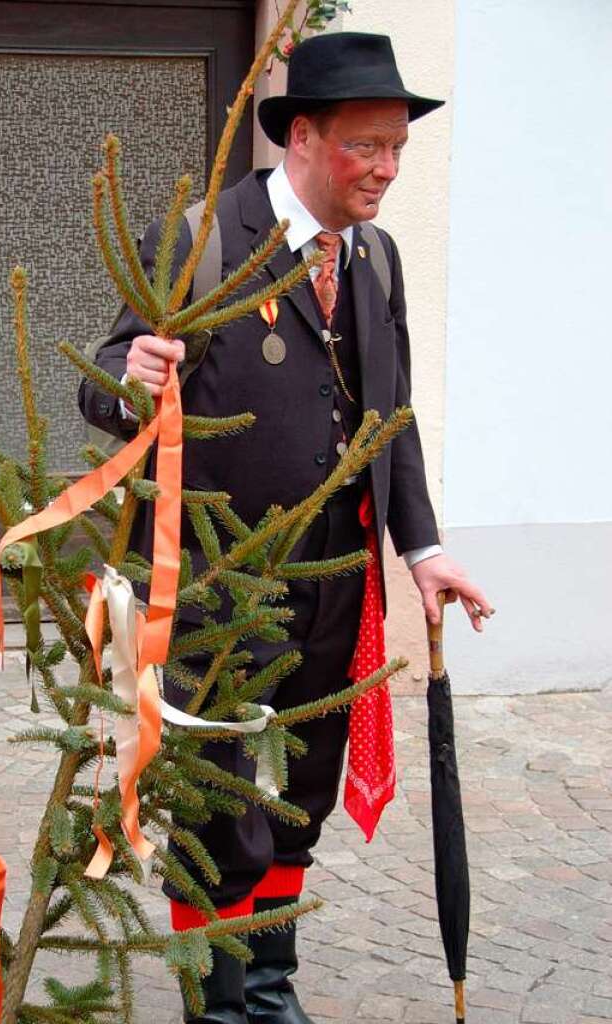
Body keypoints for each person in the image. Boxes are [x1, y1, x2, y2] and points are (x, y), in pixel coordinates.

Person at [79, 32, 493, 1024]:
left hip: (334, 584)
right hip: (216, 590)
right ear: (302, 137)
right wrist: (130, 381)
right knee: (220, 802)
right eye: (365, 147)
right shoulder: (204, 237)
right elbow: (107, 375)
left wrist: (422, 549)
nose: (387, 169)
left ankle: (267, 989)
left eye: (397, 147)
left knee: (295, 795)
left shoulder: (376, 260)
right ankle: (215, 1005)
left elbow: (388, 421)